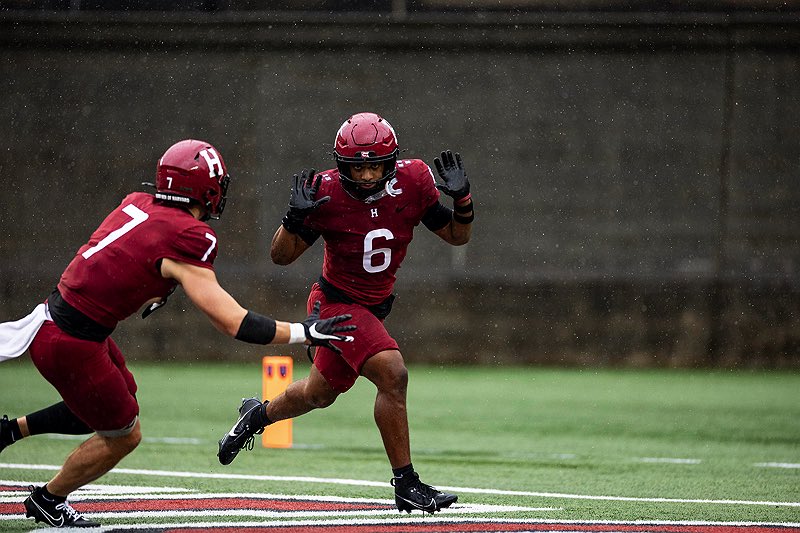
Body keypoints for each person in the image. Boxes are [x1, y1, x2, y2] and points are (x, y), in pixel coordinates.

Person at [0, 139, 355, 529]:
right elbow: (232, 321)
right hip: (72, 341)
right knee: (124, 434)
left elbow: (118, 259)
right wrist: (305, 332)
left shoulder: (136, 202)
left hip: (61, 321)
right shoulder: (189, 236)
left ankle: (9, 431)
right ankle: (48, 499)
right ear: (209, 189)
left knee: (112, 404)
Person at [217, 112, 474, 514]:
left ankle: (256, 415)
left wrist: (462, 200)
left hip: (373, 308)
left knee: (319, 394)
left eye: (375, 166)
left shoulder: (415, 181)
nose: (369, 176)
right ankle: (406, 483)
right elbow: (280, 257)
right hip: (334, 304)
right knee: (393, 373)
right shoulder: (327, 193)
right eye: (359, 167)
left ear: (391, 162)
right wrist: (293, 218)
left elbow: (457, 236)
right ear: (342, 166)